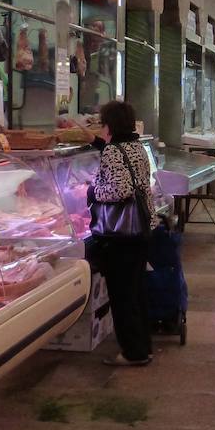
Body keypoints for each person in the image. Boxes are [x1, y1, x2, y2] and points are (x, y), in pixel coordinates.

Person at [87, 99, 155, 367]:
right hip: (140, 227)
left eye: (103, 123)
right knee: (137, 292)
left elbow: (118, 190)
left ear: (110, 124)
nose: (102, 128)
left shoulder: (114, 152)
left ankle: (133, 353)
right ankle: (143, 347)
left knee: (123, 295)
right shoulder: (136, 147)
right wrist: (98, 144)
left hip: (121, 234)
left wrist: (91, 191)